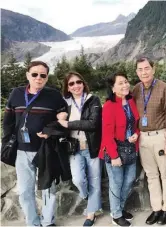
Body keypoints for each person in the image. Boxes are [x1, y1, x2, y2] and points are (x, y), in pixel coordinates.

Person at [2, 61, 67, 226]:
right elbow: (8, 121)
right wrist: (7, 142)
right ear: (27, 75)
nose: (38, 78)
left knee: (48, 189)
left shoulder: (54, 95)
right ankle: (33, 222)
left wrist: (49, 130)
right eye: (35, 74)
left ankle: (48, 221)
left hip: (46, 150)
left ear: (46, 78)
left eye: (43, 75)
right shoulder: (16, 94)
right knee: (25, 191)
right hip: (22, 151)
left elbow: (63, 119)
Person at [132, 57, 166, 225]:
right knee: (151, 176)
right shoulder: (136, 90)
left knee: (165, 174)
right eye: (140, 69)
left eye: (146, 68)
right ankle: (156, 208)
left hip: (160, 136)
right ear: (137, 72)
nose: (144, 72)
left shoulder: (164, 88)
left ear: (153, 69)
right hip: (143, 138)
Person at [57, 72, 103, 226]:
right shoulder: (64, 103)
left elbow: (93, 124)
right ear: (67, 87)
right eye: (71, 84)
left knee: (95, 181)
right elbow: (57, 123)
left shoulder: (93, 99)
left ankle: (90, 215)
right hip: (74, 148)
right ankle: (90, 199)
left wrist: (69, 124)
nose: (76, 85)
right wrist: (59, 119)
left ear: (83, 83)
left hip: (92, 146)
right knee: (78, 179)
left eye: (78, 82)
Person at [100, 73, 140, 227]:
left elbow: (135, 125)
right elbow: (107, 134)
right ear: (113, 87)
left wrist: (136, 134)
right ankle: (116, 215)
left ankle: (119, 208)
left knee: (129, 181)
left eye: (126, 82)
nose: (125, 85)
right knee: (116, 183)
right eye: (120, 83)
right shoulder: (109, 106)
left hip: (130, 147)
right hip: (115, 149)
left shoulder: (130, 101)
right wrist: (114, 155)